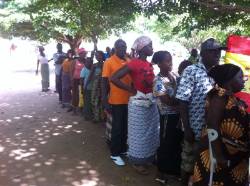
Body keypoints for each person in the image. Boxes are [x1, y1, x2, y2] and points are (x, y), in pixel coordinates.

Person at [176, 38, 227, 185]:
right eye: (213, 51)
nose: (217, 54)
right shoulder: (191, 71)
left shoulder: (217, 73)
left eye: (219, 51)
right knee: (188, 164)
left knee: (204, 164)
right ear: (203, 53)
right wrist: (187, 129)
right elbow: (183, 100)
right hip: (194, 128)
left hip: (211, 130)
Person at [193, 64, 249, 186]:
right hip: (219, 154)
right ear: (229, 80)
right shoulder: (220, 96)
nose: (245, 80)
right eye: (240, 77)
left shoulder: (231, 98)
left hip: (236, 156)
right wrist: (218, 156)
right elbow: (212, 125)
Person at [111, 36, 159, 174]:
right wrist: (131, 90)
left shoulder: (149, 64)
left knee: (150, 133)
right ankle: (137, 162)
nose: (152, 48)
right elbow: (113, 78)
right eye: (150, 45)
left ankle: (147, 158)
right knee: (138, 135)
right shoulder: (133, 63)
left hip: (150, 102)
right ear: (143, 48)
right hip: (138, 104)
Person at [152, 51, 183, 183]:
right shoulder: (158, 81)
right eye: (167, 61)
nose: (170, 63)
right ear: (159, 64)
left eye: (171, 60)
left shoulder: (174, 76)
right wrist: (182, 99)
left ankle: (174, 171)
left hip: (177, 116)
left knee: (176, 144)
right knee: (165, 144)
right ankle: (161, 173)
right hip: (166, 117)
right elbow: (167, 101)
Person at [101, 39, 131, 166]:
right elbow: (104, 82)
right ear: (115, 48)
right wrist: (104, 100)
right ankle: (114, 153)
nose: (123, 49)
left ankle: (123, 149)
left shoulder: (128, 60)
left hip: (129, 100)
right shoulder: (109, 62)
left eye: (124, 46)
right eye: (120, 47)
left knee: (125, 126)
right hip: (116, 100)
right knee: (117, 128)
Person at [86, 51, 105, 123]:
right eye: (96, 56)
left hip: (104, 85)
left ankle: (102, 117)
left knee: (102, 100)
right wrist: (86, 85)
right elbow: (90, 76)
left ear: (102, 56)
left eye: (98, 55)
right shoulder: (94, 65)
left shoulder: (106, 64)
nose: (97, 57)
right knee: (93, 100)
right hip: (95, 85)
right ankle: (96, 117)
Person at [69, 48, 86, 114]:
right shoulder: (75, 61)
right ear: (80, 54)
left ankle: (81, 108)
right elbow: (71, 71)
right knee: (75, 94)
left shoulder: (86, 61)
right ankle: (74, 109)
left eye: (85, 53)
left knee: (82, 94)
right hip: (75, 80)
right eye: (83, 53)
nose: (84, 55)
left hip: (83, 80)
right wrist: (71, 80)